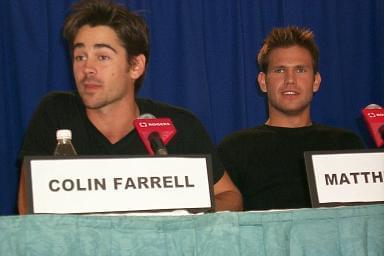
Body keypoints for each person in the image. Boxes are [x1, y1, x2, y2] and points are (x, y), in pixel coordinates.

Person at [18, 0, 242, 214]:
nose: (88, 69)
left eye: (103, 57)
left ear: (136, 66)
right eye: (80, 57)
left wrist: (186, 214)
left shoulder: (178, 125)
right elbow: (29, 207)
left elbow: (231, 197)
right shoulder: (56, 113)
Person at [217, 26, 364, 211]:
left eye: (301, 70)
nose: (290, 80)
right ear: (263, 82)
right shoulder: (235, 148)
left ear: (316, 81)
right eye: (279, 70)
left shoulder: (346, 145)